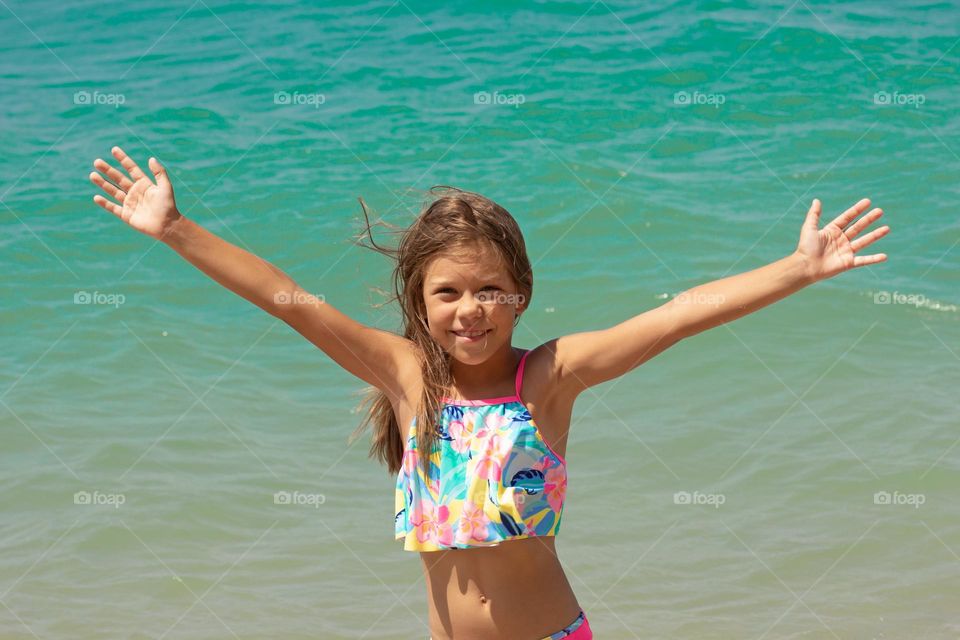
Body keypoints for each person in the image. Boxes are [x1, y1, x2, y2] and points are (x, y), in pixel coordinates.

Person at [89, 147, 890, 639]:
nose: (470, 309)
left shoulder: (548, 378)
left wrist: (799, 269)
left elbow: (676, 316)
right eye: (447, 293)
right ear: (420, 301)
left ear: (520, 294)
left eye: (489, 289)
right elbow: (287, 297)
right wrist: (174, 229)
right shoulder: (406, 380)